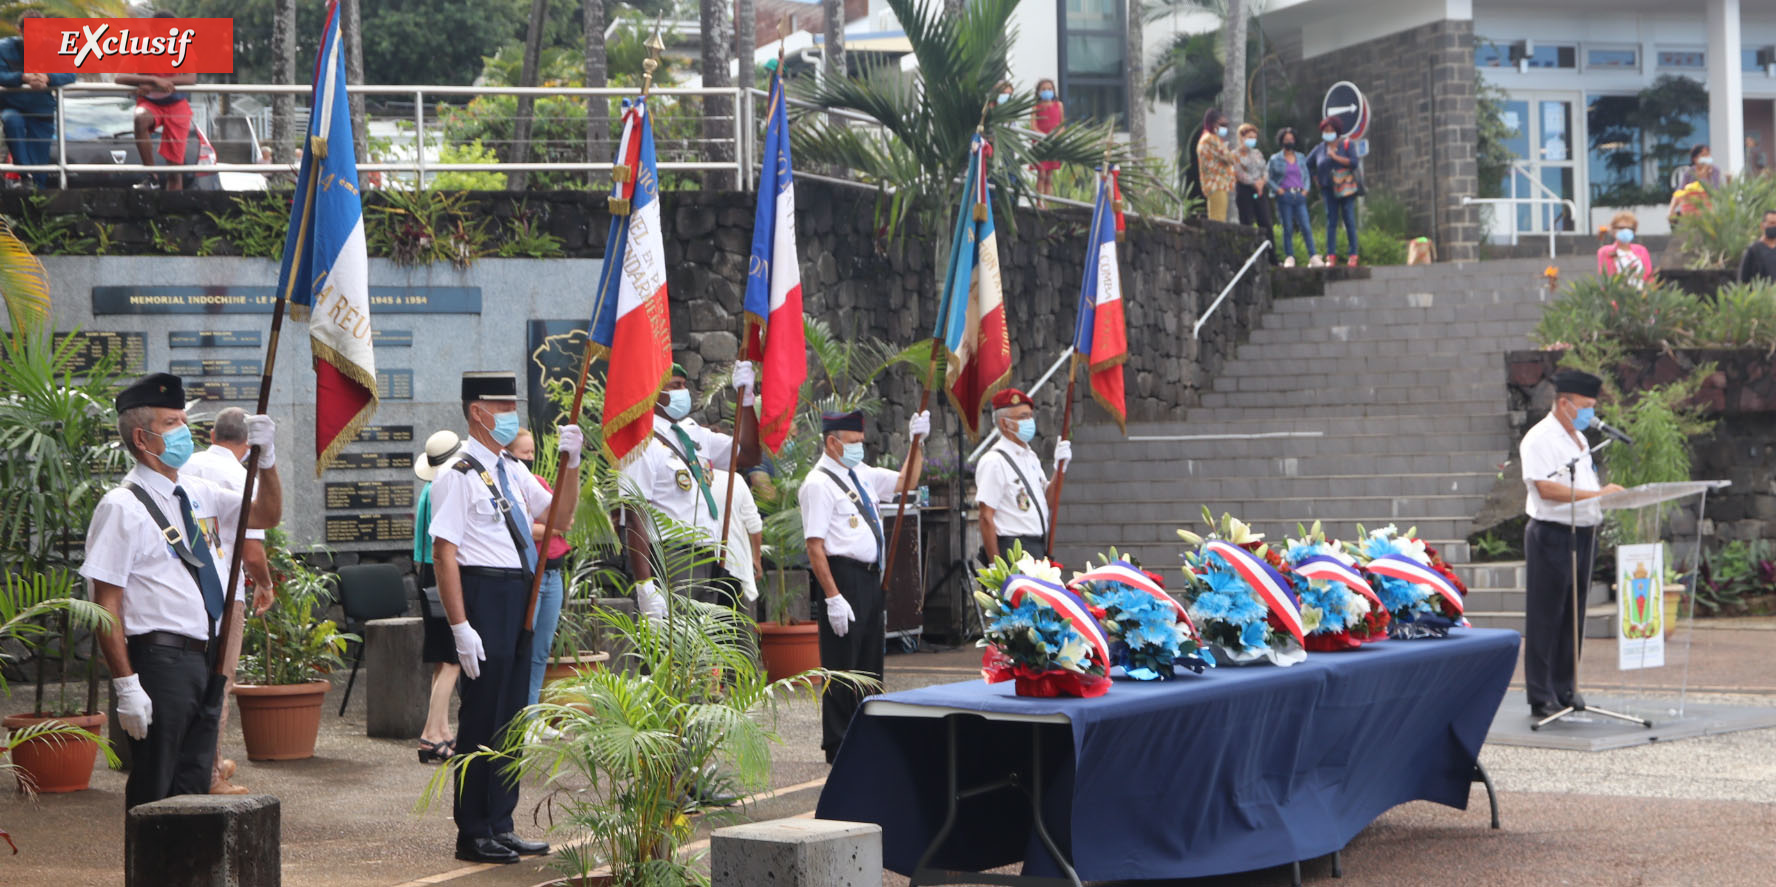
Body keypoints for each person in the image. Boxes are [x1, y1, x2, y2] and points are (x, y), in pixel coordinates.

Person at [83, 374, 282, 810]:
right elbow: (107, 604)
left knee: (193, 790)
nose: (184, 432)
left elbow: (265, 514)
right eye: (172, 423)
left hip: (203, 658)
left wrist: (265, 464)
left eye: (182, 420)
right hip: (160, 662)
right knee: (157, 790)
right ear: (143, 437)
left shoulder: (195, 492)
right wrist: (126, 685)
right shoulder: (122, 506)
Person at [428, 371, 582, 864]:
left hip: (519, 593)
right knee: (482, 717)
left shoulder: (512, 469)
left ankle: (502, 821)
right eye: (504, 405)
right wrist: (460, 626)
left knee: (514, 715)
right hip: (483, 594)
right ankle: (473, 831)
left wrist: (572, 465)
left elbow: (560, 519)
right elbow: (444, 552)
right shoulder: (456, 473)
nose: (513, 413)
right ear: (478, 411)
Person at [800, 408, 928, 763]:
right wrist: (833, 597)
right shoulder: (818, 484)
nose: (860, 448)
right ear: (832, 442)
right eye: (853, 443)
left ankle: (868, 737)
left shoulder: (862, 474)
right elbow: (815, 546)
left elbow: (906, 483)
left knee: (870, 665)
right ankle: (839, 746)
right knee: (843, 667)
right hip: (844, 579)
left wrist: (917, 443)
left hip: (871, 578)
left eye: (861, 442)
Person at [178, 407, 276, 795]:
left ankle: (197, 761)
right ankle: (210, 773)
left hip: (182, 588)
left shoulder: (187, 463)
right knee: (219, 680)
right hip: (222, 590)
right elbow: (251, 550)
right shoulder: (243, 476)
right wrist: (265, 584)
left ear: (214, 434)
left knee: (190, 682)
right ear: (248, 444)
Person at [1519, 369, 1624, 720]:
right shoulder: (1540, 439)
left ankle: (1565, 687)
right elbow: (1543, 488)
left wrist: (1602, 500)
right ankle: (1540, 694)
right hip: (1551, 534)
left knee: (1573, 616)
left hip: (1583, 534)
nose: (1590, 414)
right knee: (1547, 615)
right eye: (1585, 406)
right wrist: (1597, 494)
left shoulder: (1578, 438)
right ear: (1563, 403)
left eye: (1593, 407)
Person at [620, 361, 755, 619]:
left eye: (684, 385)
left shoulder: (694, 435)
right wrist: (645, 587)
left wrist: (746, 401)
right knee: (674, 651)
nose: (684, 392)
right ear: (654, 393)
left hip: (707, 556)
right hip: (672, 558)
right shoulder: (640, 442)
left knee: (701, 653)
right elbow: (635, 515)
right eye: (675, 386)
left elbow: (748, 454)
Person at [507, 428, 572, 708]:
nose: (530, 458)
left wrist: (547, 527)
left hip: (554, 574)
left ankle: (532, 712)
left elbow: (564, 521)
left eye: (533, 452)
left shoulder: (539, 482)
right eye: (525, 453)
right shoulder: (508, 484)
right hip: (530, 574)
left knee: (542, 650)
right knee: (522, 647)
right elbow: (521, 527)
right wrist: (550, 528)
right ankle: (519, 714)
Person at [412, 429, 463, 764]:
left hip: (426, 573)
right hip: (442, 574)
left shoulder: (428, 490)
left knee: (442, 659)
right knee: (454, 660)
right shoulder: (444, 489)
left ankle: (441, 730)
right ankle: (431, 735)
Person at [975, 389, 1071, 563]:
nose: (1029, 422)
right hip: (1012, 549)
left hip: (1037, 546)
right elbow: (985, 517)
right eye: (1022, 417)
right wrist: (996, 565)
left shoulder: (1031, 457)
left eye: (1030, 416)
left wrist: (1060, 468)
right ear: (1004, 424)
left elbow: (1049, 500)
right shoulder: (994, 461)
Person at [116, 13, 197, 191]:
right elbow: (120, 77)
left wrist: (155, 84)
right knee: (140, 118)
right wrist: (152, 80)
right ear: (153, 31)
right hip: (150, 104)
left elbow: (191, 78)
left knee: (175, 171)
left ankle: (172, 211)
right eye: (165, 31)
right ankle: (151, 176)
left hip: (176, 106)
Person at [0, 11, 75, 188]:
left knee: (40, 169)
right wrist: (22, 78)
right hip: (13, 106)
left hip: (41, 110)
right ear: (20, 31)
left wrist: (48, 78)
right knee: (11, 121)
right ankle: (25, 176)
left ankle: (35, 198)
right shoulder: (4, 47)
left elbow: (70, 74)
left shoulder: (55, 48)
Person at [1311, 116, 1363, 267]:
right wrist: (1316, 179)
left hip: (1346, 187)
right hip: (1328, 188)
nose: (1328, 133)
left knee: (1349, 219)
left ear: (1337, 130)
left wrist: (1335, 157)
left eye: (1331, 130)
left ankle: (1353, 254)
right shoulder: (1319, 149)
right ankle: (1331, 255)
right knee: (1331, 222)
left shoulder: (1346, 144)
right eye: (1325, 130)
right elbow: (1308, 164)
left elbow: (1353, 162)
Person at [1267, 127, 1319, 267]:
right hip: (1285, 195)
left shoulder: (1301, 157)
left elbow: (1306, 175)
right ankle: (1289, 257)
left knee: (1306, 227)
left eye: (1291, 139)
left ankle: (1313, 256)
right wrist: (1278, 190)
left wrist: (1306, 190)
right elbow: (1267, 177)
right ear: (1281, 141)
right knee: (1288, 228)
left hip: (1300, 194)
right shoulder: (1275, 159)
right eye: (1286, 139)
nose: (1289, 141)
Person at [1232, 123, 1277, 263]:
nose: (1252, 140)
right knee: (1246, 223)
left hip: (1260, 190)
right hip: (1245, 190)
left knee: (1266, 222)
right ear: (1242, 137)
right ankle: (1248, 256)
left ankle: (1272, 258)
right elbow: (1239, 173)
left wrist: (1262, 182)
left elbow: (1265, 170)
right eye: (1249, 137)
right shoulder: (1235, 155)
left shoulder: (1257, 153)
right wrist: (1254, 183)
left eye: (1254, 137)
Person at [1196, 109, 1236, 223]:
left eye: (1226, 125)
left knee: (1216, 217)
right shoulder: (1211, 139)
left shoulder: (1206, 138)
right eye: (1222, 124)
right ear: (1213, 124)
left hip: (1215, 184)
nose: (1225, 128)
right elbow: (1230, 158)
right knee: (1218, 220)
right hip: (1217, 184)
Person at [1595, 211, 1653, 284]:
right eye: (1621, 228)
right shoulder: (1605, 251)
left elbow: (1649, 275)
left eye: (1630, 228)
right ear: (1613, 229)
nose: (1626, 231)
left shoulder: (1641, 250)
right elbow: (1606, 275)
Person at [1031, 78, 1064, 200]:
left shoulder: (1059, 105)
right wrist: (1043, 137)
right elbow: (1033, 126)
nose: (1047, 91)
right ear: (1038, 92)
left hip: (1053, 143)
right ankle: (1039, 202)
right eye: (1044, 89)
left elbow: (1062, 125)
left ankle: (1047, 202)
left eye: (1050, 89)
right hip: (1040, 143)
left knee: (1049, 175)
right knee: (1041, 174)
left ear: (1054, 91)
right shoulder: (1036, 107)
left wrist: (1056, 136)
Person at [1738, 209, 1776, 283]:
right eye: (1772, 223)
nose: (1774, 226)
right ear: (1762, 225)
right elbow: (1742, 280)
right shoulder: (1753, 250)